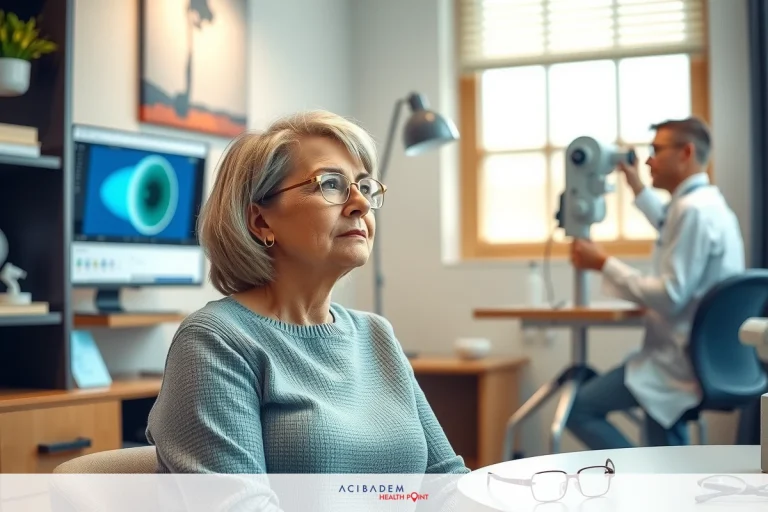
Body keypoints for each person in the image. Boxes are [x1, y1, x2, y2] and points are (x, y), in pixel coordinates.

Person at [145, 110, 469, 479]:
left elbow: (447, 482)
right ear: (261, 221)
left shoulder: (376, 335)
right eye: (331, 184)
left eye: (364, 187)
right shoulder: (215, 341)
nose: (360, 203)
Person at [566, 117, 745, 449]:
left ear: (686, 152)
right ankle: (654, 485)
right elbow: (666, 223)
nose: (647, 160)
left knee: (578, 409)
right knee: (663, 445)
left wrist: (603, 263)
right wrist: (635, 184)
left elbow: (670, 295)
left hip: (677, 364)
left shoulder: (692, 212)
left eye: (656, 150)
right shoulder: (707, 205)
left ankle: (640, 480)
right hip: (707, 356)